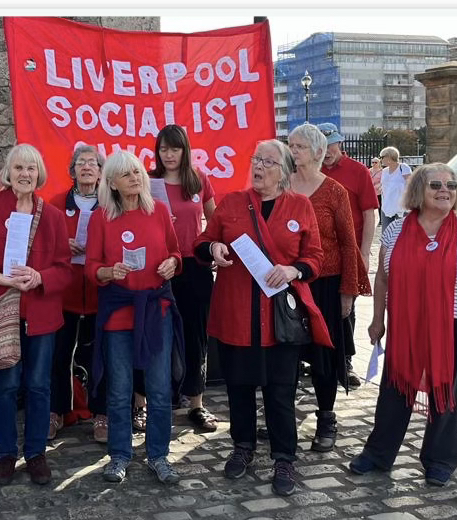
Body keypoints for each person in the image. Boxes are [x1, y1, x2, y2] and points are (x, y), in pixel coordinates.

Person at [350, 163, 457, 487]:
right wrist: (378, 319)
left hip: (455, 325)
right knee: (394, 390)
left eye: (450, 185)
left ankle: (440, 459)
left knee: (444, 393)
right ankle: (378, 453)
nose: (445, 190)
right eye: (436, 184)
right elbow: (382, 278)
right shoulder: (395, 230)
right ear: (419, 190)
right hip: (406, 324)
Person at [193, 140, 330, 497]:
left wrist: (292, 270)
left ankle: (285, 457)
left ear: (283, 172)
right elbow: (203, 242)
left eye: (268, 162)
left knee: (280, 393)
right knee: (238, 389)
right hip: (236, 314)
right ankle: (243, 447)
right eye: (256, 159)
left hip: (279, 318)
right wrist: (214, 249)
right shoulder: (232, 203)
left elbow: (316, 258)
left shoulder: (299, 206)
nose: (258, 166)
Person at [0, 144, 72, 486]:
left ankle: (37, 453)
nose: (25, 174)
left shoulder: (52, 216)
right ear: (8, 173)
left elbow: (64, 269)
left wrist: (41, 278)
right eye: (19, 168)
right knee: (6, 387)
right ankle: (6, 453)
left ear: (39, 174)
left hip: (41, 313)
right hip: (3, 310)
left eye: (31, 168)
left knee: (39, 386)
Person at [85, 151, 184, 485]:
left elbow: (175, 252)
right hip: (118, 312)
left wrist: (173, 264)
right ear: (111, 182)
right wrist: (107, 271)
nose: (135, 178)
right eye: (126, 174)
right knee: (119, 389)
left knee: (158, 388)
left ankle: (158, 455)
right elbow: (90, 267)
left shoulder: (158, 212)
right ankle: (119, 455)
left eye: (138, 172)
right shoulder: (101, 218)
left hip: (156, 311)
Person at [289, 124, 371, 452]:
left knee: (324, 356)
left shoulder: (334, 191)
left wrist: (348, 291)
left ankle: (326, 418)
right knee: (286, 353)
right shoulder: (283, 187)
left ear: (318, 152)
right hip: (290, 283)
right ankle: (280, 415)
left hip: (326, 284)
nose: (293, 152)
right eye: (291, 146)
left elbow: (349, 244)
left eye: (299, 147)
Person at [148, 124, 218, 432]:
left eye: (174, 148)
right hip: (159, 266)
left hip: (194, 266)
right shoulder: (149, 181)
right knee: (156, 336)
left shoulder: (199, 179)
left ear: (184, 150)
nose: (169, 154)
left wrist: (212, 246)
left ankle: (196, 402)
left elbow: (216, 221)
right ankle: (147, 402)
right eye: (163, 149)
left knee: (195, 335)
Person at [49, 145, 108, 442]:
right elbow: (40, 243)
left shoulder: (111, 203)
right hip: (65, 292)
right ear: (72, 171)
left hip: (100, 292)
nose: (87, 167)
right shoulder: (57, 203)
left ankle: (102, 414)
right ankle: (57, 411)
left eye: (93, 163)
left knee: (101, 356)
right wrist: (62, 244)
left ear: (101, 171)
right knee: (59, 355)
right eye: (81, 163)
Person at [318, 122, 378, 389]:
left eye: (331, 144)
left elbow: (369, 213)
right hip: (318, 253)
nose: (327, 150)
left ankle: (346, 359)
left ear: (339, 143)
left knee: (347, 307)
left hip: (349, 250)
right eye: (322, 145)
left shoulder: (357, 171)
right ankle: (315, 358)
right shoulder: (311, 170)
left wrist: (364, 252)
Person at [379, 146, 412, 235]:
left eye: (382, 157)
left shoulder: (403, 167)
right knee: (386, 233)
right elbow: (383, 186)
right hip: (387, 205)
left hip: (402, 206)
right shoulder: (384, 171)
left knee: (402, 233)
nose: (380, 159)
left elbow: (411, 184)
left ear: (389, 157)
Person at [369, 156, 383, 223]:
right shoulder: (369, 171)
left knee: (379, 205)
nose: (374, 164)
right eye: (373, 162)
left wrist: (378, 186)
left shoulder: (382, 171)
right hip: (370, 191)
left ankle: (379, 219)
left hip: (378, 191)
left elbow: (383, 181)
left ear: (379, 163)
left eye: (376, 162)